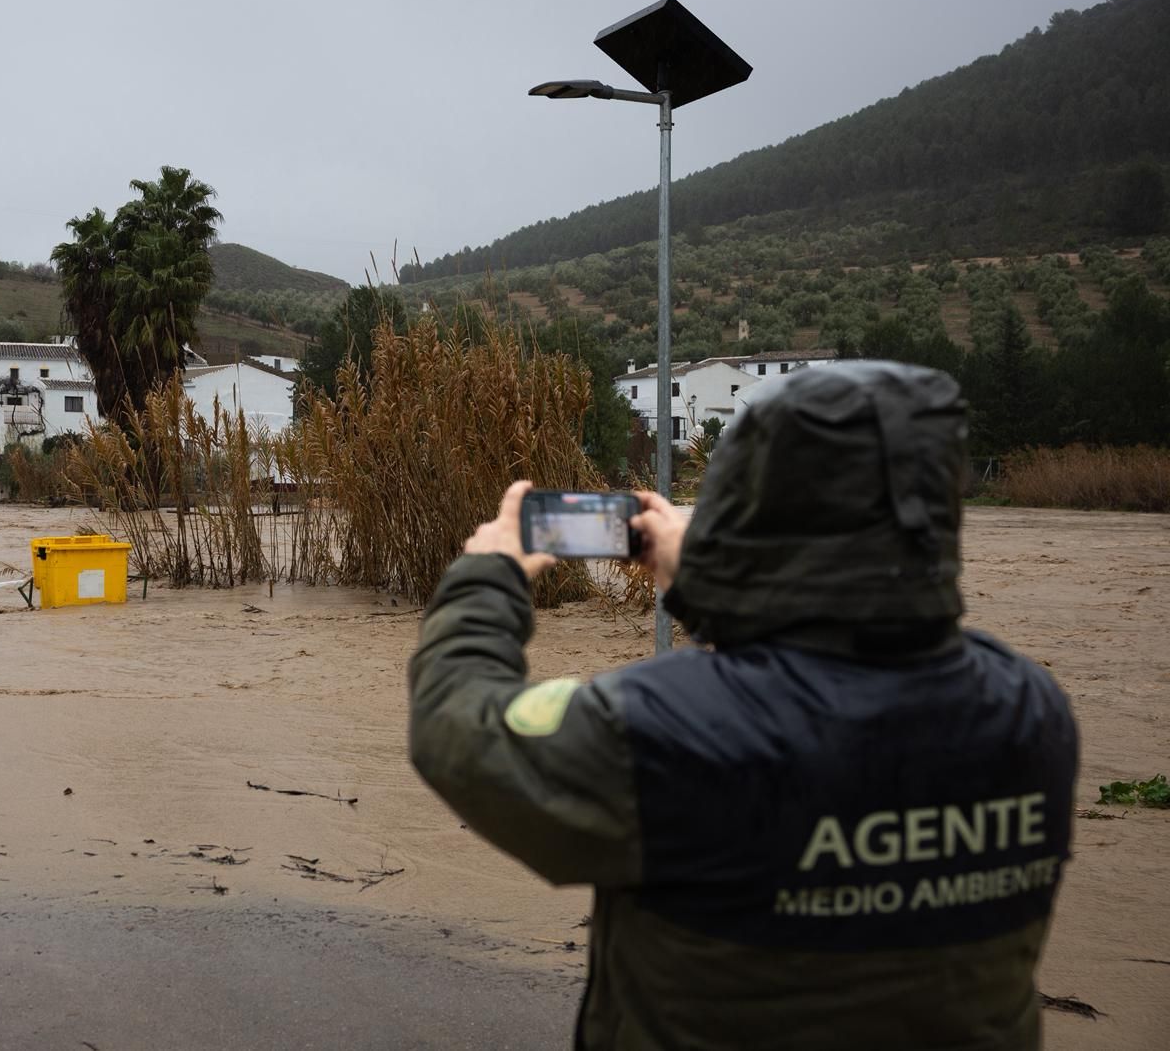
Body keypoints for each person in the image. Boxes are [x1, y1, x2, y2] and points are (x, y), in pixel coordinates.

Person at [407, 362, 1077, 1051]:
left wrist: (488, 573)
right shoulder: (1029, 711)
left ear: (744, 504)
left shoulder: (661, 729)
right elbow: (833, 653)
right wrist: (705, 581)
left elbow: (458, 725)